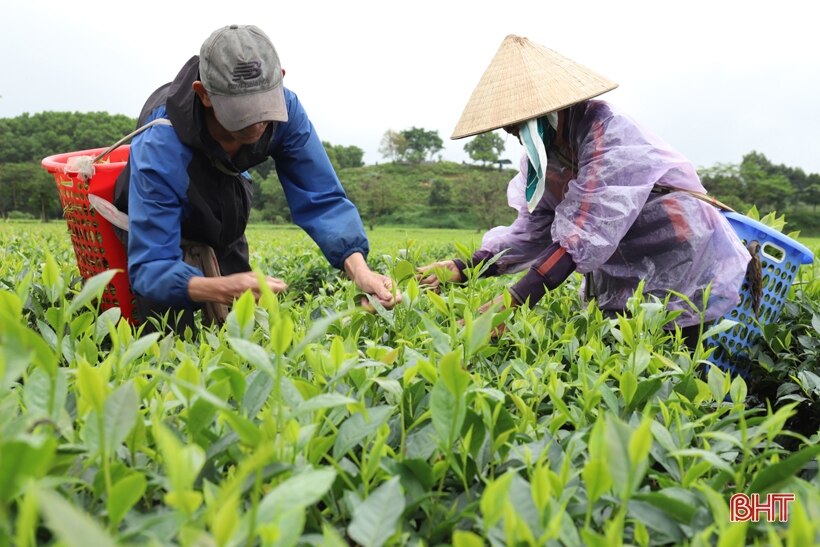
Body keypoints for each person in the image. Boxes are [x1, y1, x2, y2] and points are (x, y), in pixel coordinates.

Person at [418, 35, 751, 345]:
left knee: (685, 366)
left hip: (687, 265)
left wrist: (512, 302)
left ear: (547, 113)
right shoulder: (546, 163)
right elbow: (532, 232)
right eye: (509, 128)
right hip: (626, 282)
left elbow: (585, 232)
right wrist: (464, 267)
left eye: (517, 125)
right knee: (632, 371)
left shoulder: (608, 136)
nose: (514, 135)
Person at [113, 24, 398, 331]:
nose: (258, 122)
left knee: (237, 332)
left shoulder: (286, 112)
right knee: (167, 335)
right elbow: (152, 266)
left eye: (262, 107)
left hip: (225, 212)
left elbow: (321, 197)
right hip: (160, 221)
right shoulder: (161, 141)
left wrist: (359, 269)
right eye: (241, 112)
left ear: (280, 81)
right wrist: (220, 286)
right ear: (204, 94)